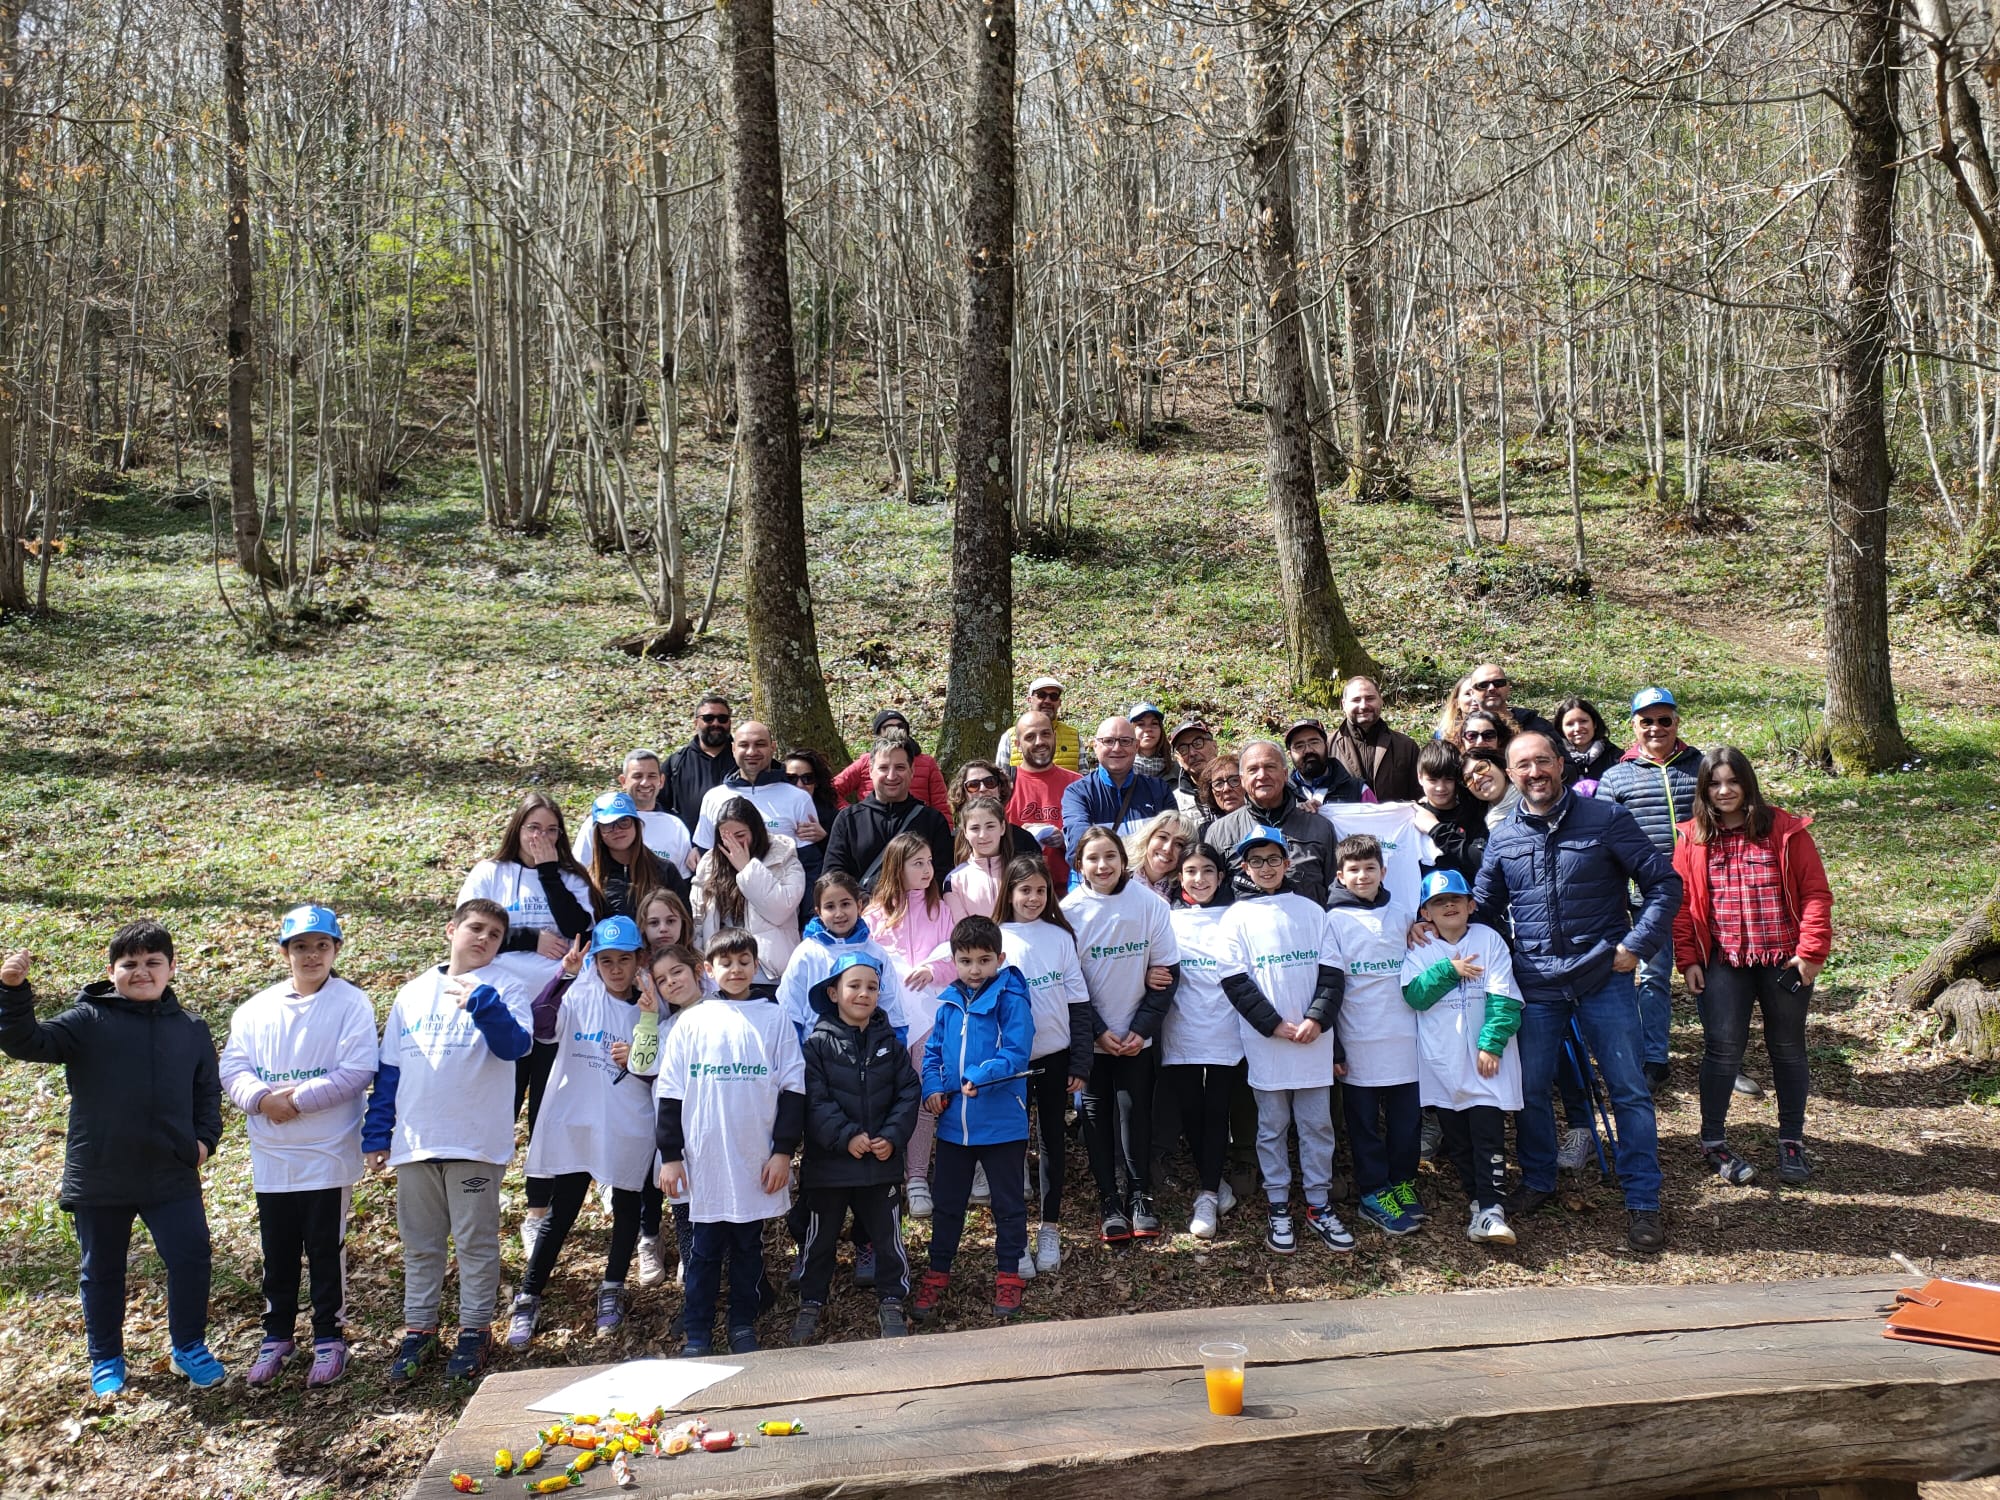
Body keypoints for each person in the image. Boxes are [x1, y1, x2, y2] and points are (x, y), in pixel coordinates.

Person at [1473, 731, 1680, 1254]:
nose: (1534, 772)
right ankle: (1540, 1180)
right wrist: (1429, 925)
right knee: (1531, 1090)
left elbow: (1664, 884)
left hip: (1602, 976)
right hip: (1537, 982)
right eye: (1523, 765)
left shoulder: (1605, 819)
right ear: (1511, 773)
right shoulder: (1504, 836)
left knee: (1628, 1090)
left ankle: (1643, 1200)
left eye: (1543, 761)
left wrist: (1637, 944)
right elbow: (1483, 906)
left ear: (1561, 765)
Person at [0, 922, 225, 1396]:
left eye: (152, 963)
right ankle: (105, 1357)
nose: (141, 972)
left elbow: (207, 1092)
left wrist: (204, 1142)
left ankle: (189, 1346)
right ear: (112, 971)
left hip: (170, 1173)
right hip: (99, 1172)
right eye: (130, 964)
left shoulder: (190, 1029)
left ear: (171, 968)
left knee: (191, 1257)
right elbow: (26, 1043)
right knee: (101, 1269)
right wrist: (13, 991)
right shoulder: (87, 1021)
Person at [361, 899, 534, 1384]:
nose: (483, 939)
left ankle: (475, 1331)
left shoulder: (506, 987)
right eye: (475, 928)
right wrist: (377, 1132)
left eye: (495, 935)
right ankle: (419, 1330)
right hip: (416, 1141)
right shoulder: (412, 993)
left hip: (475, 1142)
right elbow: (391, 1070)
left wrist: (484, 1004)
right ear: (451, 929)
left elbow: (515, 1047)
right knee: (421, 1245)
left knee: (476, 1243)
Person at [220, 906, 377, 1389]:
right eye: (302, 947)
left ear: (336, 950)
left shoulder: (352, 1003)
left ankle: (330, 1336)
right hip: (273, 1153)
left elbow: (357, 1070)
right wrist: (262, 1100)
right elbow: (233, 1066)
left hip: (329, 1152)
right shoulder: (255, 1010)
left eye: (322, 946)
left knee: (326, 1249)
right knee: (278, 1250)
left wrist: (295, 1101)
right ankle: (277, 1335)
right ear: (285, 951)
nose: (312, 955)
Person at [1673, 747, 1833, 1187]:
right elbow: (1682, 906)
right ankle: (1712, 1139)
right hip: (1723, 961)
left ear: (1747, 783)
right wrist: (1687, 958)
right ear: (1703, 789)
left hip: (1785, 960)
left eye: (1732, 781)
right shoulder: (1692, 837)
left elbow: (1816, 893)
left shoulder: (1784, 830)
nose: (1724, 791)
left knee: (1787, 1047)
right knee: (1722, 1049)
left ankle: (1792, 1138)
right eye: (1714, 783)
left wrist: (1812, 952)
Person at [508, 916, 660, 1349]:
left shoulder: (652, 1003)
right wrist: (563, 974)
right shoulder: (577, 995)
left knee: (628, 1203)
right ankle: (528, 1294)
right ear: (594, 962)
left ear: (639, 960)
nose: (615, 969)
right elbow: (542, 1024)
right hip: (580, 1118)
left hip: (628, 1120)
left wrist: (640, 1044)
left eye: (624, 960)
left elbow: (655, 1071)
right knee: (562, 1208)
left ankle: (613, 1287)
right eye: (606, 960)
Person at [457, 792, 600, 1248]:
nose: (542, 838)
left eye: (552, 830)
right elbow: (469, 931)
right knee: (495, 1110)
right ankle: (477, 1203)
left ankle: (537, 1210)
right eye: (533, 828)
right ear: (516, 829)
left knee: (545, 1113)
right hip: (497, 1010)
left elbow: (583, 928)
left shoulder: (570, 877)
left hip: (557, 1010)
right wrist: (527, 938)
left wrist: (546, 872)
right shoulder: (489, 873)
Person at [656, 928, 806, 1356]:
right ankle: (699, 1331)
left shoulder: (774, 1018)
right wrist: (670, 1157)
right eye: (726, 963)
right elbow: (670, 1092)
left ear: (756, 966)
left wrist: (782, 1152)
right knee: (702, 1252)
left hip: (754, 1157)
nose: (736, 970)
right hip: (705, 1160)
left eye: (744, 961)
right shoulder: (693, 1020)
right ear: (709, 970)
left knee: (747, 1247)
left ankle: (743, 1323)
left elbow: (793, 1088)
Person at [1216, 829, 1352, 1256]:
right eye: (1256, 861)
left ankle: (1318, 1203)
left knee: (1317, 1125)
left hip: (1313, 1039)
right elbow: (1234, 981)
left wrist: (1316, 1019)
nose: (1266, 868)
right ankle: (1278, 1203)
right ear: (1245, 868)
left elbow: (1332, 973)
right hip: (1268, 1043)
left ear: (1287, 862)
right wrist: (1273, 1024)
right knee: (1271, 1127)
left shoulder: (1312, 911)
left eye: (1273, 859)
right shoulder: (1235, 918)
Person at [792, 954, 921, 1344]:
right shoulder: (816, 1045)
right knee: (819, 1240)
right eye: (854, 986)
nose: (863, 993)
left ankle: (892, 1298)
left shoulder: (890, 1044)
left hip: (879, 1165)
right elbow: (814, 1100)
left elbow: (909, 1092)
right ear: (833, 993)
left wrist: (893, 1137)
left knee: (888, 1236)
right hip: (830, 1167)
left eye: (872, 987)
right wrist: (846, 1135)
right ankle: (811, 1300)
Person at [912, 917, 1035, 1323]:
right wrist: (932, 1088)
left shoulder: (1011, 999)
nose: (976, 970)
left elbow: (1016, 1054)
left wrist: (980, 1077)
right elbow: (932, 1053)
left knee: (1008, 1205)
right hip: (952, 1126)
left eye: (984, 960)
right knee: (947, 1204)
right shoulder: (948, 1001)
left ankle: (1009, 1274)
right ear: (955, 961)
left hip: (1001, 1126)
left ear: (999, 958)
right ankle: (938, 1272)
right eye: (966, 961)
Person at [1063, 826, 1181, 1242]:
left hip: (1136, 1037)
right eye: (1092, 858)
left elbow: (1169, 973)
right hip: (1092, 1040)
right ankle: (1108, 1198)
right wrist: (1095, 1032)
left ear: (1123, 859)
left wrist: (1140, 1029)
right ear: (1079, 865)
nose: (1102, 865)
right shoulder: (1069, 911)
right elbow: (1068, 982)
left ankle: (1140, 1194)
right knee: (1095, 1116)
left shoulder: (1150, 905)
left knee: (1135, 1113)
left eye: (1109, 856)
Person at [1401, 869, 1524, 1246]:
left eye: (1456, 898)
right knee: (1458, 1141)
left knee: (1488, 1135)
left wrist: (1491, 1043)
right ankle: (1478, 1205)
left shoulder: (1488, 940)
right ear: (1426, 912)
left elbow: (1504, 997)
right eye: (1439, 902)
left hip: (1486, 1061)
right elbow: (1415, 995)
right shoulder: (1420, 948)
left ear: (1472, 904)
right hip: (1442, 1064)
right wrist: (1449, 970)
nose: (1449, 906)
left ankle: (1492, 1208)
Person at [1597, 686, 1703, 1091]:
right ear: (1634, 726)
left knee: (1713, 975)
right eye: (1647, 721)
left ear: (1677, 722)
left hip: (1705, 891)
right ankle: (1655, 1058)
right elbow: (1603, 840)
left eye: (1664, 720)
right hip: (1649, 896)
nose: (1656, 728)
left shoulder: (1703, 766)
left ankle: (1725, 1055)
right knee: (1653, 976)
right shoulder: (1617, 776)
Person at [995, 853, 1092, 1275]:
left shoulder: (1059, 937)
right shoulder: (995, 937)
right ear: (1010, 893)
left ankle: (1048, 1228)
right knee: (1012, 1145)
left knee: (1052, 1139)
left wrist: (1081, 1061)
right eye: (1024, 890)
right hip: (1010, 1063)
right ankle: (1015, 1238)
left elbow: (1078, 1002)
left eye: (1040, 890)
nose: (1032, 898)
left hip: (1055, 1056)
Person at [1326, 836, 1425, 1239]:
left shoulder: (1402, 914)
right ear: (1340, 875)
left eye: (1370, 868)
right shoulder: (1331, 920)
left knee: (1406, 1123)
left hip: (1405, 1039)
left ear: (1384, 872)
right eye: (1354, 869)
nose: (1362, 875)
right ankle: (1373, 1190)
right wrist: (1333, 1045)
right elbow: (1328, 985)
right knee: (1364, 1125)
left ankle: (1403, 1182)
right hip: (1358, 1042)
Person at [866, 831, 958, 1217]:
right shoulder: (874, 915)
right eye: (916, 862)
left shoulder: (942, 910)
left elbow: (958, 956)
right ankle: (885, 1172)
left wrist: (933, 969)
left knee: (924, 1092)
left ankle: (917, 1176)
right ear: (896, 867)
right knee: (885, 1097)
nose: (926, 869)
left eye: (929, 862)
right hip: (885, 1022)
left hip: (930, 1020)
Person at [1162, 843, 1244, 1240]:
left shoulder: (1238, 916)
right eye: (1191, 871)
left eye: (1208, 870)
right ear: (1180, 878)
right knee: (1191, 1112)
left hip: (1228, 1029)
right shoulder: (1167, 919)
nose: (1200, 878)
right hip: (1182, 1030)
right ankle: (1215, 1182)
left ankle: (1208, 1194)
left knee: (1218, 1111)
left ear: (1221, 876)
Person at [638, 942, 706, 1313]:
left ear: (698, 970)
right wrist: (648, 1018)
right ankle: (695, 1283)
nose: (671, 983)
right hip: (680, 1143)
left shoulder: (723, 1012)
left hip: (721, 1136)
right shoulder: (665, 1027)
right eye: (662, 980)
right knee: (686, 1215)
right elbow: (644, 1064)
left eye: (676, 972)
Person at [778, 870, 910, 1047]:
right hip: (817, 1055)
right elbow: (790, 1010)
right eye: (830, 907)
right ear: (818, 912)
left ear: (859, 905)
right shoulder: (807, 953)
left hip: (868, 1055)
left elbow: (893, 1008)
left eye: (845, 904)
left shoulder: (876, 953)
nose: (839, 913)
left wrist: (894, 1054)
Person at [1204, 740, 1339, 905]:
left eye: (1269, 767)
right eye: (1253, 769)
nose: (1262, 775)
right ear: (1242, 779)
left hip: (1307, 927)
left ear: (1285, 774)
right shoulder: (1220, 832)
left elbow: (1336, 889)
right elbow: (1209, 896)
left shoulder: (1319, 827)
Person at [822, 735, 956, 897]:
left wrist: (911, 903)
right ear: (870, 771)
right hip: (863, 915)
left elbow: (942, 875)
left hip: (918, 916)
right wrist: (868, 904)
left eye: (899, 767)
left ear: (912, 771)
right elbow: (833, 875)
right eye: (883, 768)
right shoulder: (848, 820)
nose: (891, 776)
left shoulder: (932, 821)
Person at [690, 797, 806, 983]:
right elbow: (697, 920)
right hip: (720, 972)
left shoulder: (784, 857)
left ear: (756, 830)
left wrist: (747, 869)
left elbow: (780, 910)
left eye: (740, 835)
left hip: (769, 972)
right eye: (725, 837)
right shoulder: (710, 863)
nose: (733, 844)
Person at [692, 721, 826, 871]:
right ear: (733, 749)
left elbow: (809, 863)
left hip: (783, 890)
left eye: (760, 744)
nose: (751, 752)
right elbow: (706, 858)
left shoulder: (798, 798)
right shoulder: (714, 797)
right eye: (744, 745)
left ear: (772, 747)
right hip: (727, 891)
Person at [1061, 717, 1175, 865]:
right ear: (1095, 746)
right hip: (1098, 882)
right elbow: (1079, 844)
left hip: (1148, 885)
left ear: (1136, 746)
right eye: (1108, 741)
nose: (1117, 748)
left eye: (1125, 741)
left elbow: (1174, 842)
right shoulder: (1078, 793)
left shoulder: (1159, 789)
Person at [572, 748, 695, 874]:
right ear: (623, 781)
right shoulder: (598, 822)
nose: (645, 783)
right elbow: (578, 873)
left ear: (661, 781)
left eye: (652, 776)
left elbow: (682, 880)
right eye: (637, 776)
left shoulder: (675, 827)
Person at [1004, 712, 1082, 891]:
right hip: (1019, 893)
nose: (1039, 741)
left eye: (1045, 734)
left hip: (1068, 893)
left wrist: (1066, 840)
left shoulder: (1078, 784)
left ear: (1054, 737)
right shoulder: (1005, 786)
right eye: (1030, 737)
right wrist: (1020, 837)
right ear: (1017, 744)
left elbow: (1094, 839)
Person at [585, 791, 691, 917]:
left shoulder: (664, 870)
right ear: (599, 833)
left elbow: (685, 921)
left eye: (624, 821)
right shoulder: (590, 879)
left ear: (636, 825)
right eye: (608, 825)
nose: (617, 829)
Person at [832, 711, 950, 817]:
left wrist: (943, 833)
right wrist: (851, 815)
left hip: (916, 828)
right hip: (872, 825)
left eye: (900, 726)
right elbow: (831, 789)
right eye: (888, 727)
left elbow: (941, 804)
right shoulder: (866, 762)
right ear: (878, 734)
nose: (895, 730)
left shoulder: (927, 762)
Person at [1330, 677, 1421, 802]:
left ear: (1381, 700)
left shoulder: (1406, 747)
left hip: (1393, 821)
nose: (1363, 706)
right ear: (1344, 705)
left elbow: (1420, 796)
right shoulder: (1328, 747)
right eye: (1356, 700)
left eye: (1370, 698)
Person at [1411, 741, 1488, 882]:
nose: (1440, 788)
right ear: (1420, 778)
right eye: (1433, 780)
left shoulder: (1474, 814)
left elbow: (1482, 862)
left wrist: (1435, 829)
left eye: (1448, 779)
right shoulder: (1411, 817)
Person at [664, 694, 738, 835]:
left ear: (729, 723)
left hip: (741, 847)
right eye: (708, 718)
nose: (716, 723)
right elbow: (658, 805)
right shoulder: (676, 763)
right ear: (696, 723)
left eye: (722, 718)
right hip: (692, 851)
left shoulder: (746, 758)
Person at [996, 675, 1088, 771]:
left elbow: (1084, 777)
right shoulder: (1010, 737)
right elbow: (1001, 778)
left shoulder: (1073, 736)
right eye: (1041, 695)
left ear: (1059, 702)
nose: (1047, 701)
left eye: (1053, 697)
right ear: (1029, 700)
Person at [946, 794, 1014, 920]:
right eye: (975, 828)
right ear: (965, 832)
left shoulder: (1019, 871)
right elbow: (961, 927)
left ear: (1002, 828)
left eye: (990, 826)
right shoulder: (954, 879)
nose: (983, 835)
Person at [1467, 662, 1558, 740]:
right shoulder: (1464, 730)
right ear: (1472, 693)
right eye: (1483, 685)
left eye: (1498, 683)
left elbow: (1563, 760)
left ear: (1508, 687)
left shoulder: (1538, 726)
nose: (1492, 688)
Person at [1284, 719, 1366, 805]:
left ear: (1326, 746)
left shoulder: (1359, 790)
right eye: (1299, 746)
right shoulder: (1281, 793)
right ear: (1290, 755)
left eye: (1314, 742)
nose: (1308, 750)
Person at [1126, 808, 1194, 899]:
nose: (1167, 848)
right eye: (1163, 837)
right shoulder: (1118, 877)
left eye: (1179, 844)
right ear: (1147, 837)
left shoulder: (1189, 890)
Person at [1554, 697, 1619, 787]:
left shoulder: (1615, 757)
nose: (1577, 728)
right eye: (1570, 724)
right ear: (1561, 729)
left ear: (1594, 723)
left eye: (1583, 721)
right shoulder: (1554, 759)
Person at [1168, 720, 1217, 812]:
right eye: (1183, 749)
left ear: (1214, 746)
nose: (1192, 753)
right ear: (1178, 759)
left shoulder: (1238, 784)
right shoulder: (1174, 802)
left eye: (1198, 743)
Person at [1193, 753, 1246, 835]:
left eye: (1234, 780)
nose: (1226, 789)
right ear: (1211, 792)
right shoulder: (1207, 833)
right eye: (1218, 784)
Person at [1450, 707, 1518, 759]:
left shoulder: (1513, 771)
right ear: (1462, 740)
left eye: (1488, 735)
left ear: (1499, 740)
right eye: (1472, 735)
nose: (1480, 741)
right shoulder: (1453, 773)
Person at [1129, 701, 1170, 776]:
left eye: (1154, 723)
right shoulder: (1121, 770)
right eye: (1141, 724)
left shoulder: (1176, 769)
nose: (1148, 729)